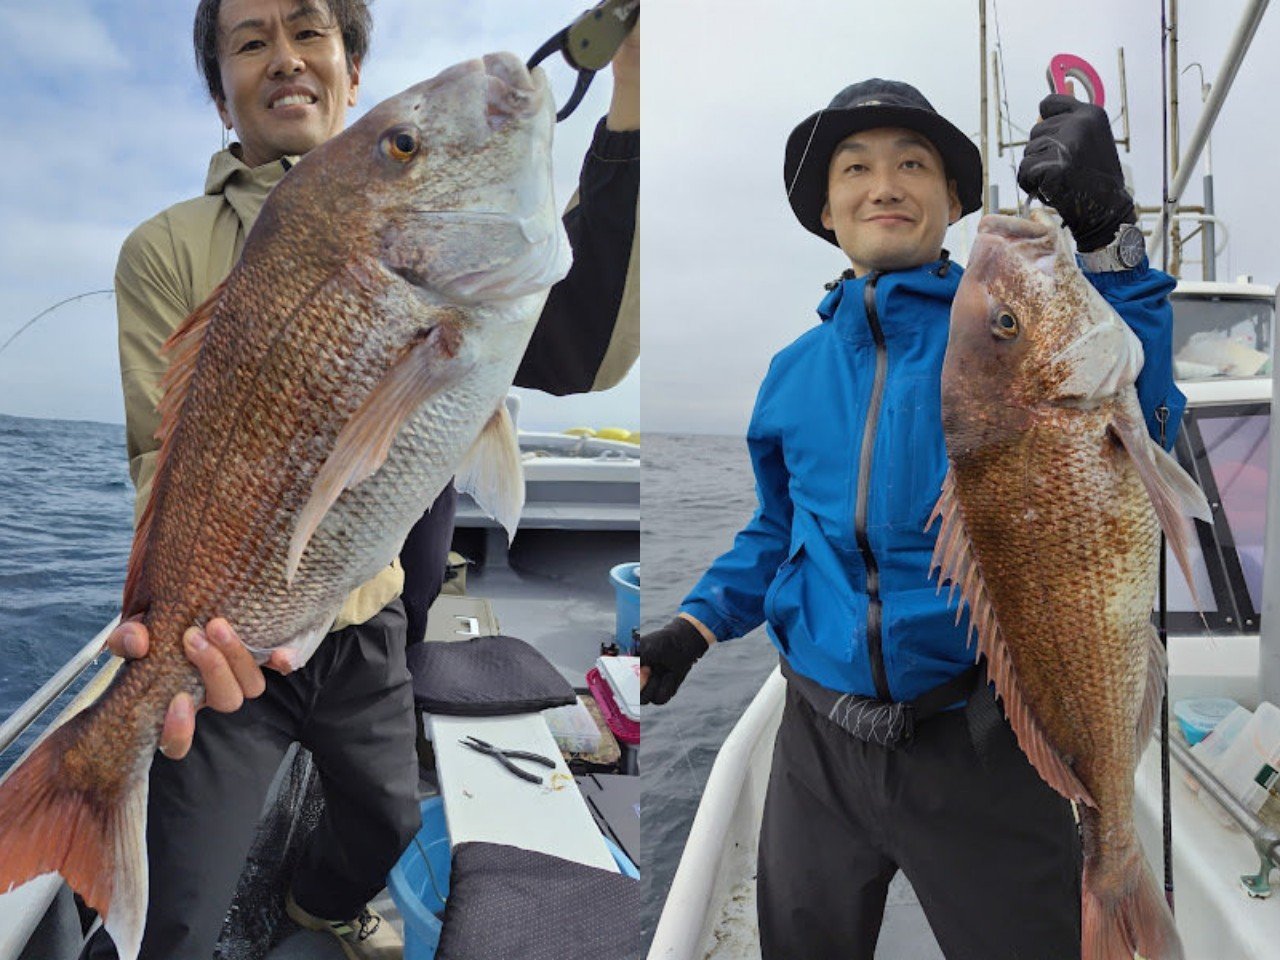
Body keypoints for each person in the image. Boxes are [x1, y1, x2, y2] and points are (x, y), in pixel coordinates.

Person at [84, 1, 638, 958]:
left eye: (310, 33)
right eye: (250, 42)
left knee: (385, 821)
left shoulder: (474, 277)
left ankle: (316, 903)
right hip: (230, 645)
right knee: (174, 916)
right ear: (222, 93)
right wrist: (176, 638)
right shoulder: (165, 250)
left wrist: (631, 96)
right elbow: (160, 464)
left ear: (349, 70)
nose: (285, 59)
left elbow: (585, 336)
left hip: (367, 620)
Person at [640, 79, 1180, 959]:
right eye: (855, 168)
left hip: (980, 745)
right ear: (825, 208)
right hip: (817, 746)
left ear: (954, 200)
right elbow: (779, 533)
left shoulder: (1003, 347)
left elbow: (1143, 416)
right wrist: (693, 628)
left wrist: (1111, 240)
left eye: (913, 164)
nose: (883, 184)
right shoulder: (790, 372)